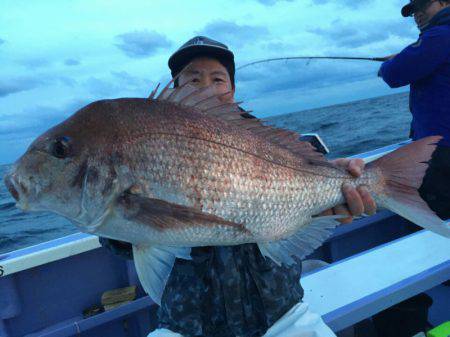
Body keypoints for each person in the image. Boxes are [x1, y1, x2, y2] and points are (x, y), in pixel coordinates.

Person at [101, 36, 377, 337]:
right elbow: (119, 241)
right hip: (187, 326)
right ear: (175, 89)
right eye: (193, 78)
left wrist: (333, 197)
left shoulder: (266, 142)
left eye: (218, 78)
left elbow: (307, 191)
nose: (206, 87)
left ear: (232, 90)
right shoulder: (149, 143)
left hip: (283, 315)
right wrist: (124, 216)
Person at [379, 0, 450, 220]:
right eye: (413, 11)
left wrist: (388, 64)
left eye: (423, 6)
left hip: (441, 149)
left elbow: (394, 73)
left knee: (433, 213)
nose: (418, 14)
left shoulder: (440, 36)